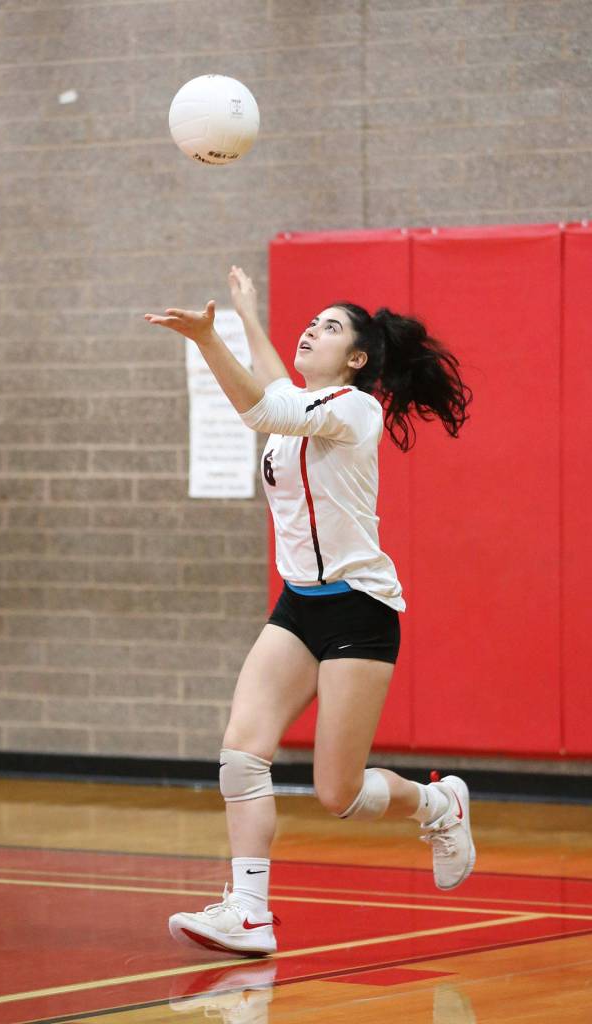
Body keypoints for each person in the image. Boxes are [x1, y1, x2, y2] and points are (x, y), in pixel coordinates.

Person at [144, 265, 474, 958]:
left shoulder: (355, 410)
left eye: (329, 327)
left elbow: (265, 409)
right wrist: (246, 314)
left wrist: (208, 340)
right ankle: (248, 912)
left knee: (338, 795)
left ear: (356, 359)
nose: (312, 330)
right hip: (298, 605)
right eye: (312, 322)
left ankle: (439, 803)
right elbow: (276, 395)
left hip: (359, 611)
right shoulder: (303, 404)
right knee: (241, 752)